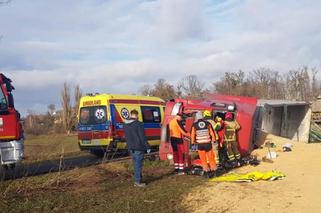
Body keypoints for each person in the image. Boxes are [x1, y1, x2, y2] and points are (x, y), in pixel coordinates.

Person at [124, 109, 151, 187]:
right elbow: (142, 137)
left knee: (135, 164)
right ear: (136, 115)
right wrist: (147, 146)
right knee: (138, 164)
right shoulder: (138, 124)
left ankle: (138, 179)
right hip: (138, 146)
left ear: (131, 114)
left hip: (130, 147)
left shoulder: (125, 124)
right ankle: (138, 182)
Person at [191, 111, 217, 177]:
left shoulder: (194, 125)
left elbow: (192, 135)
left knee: (203, 159)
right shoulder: (207, 123)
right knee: (211, 158)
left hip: (200, 144)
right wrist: (214, 140)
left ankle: (206, 171)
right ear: (202, 116)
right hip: (208, 143)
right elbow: (212, 133)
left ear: (197, 117)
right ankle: (214, 171)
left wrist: (192, 143)